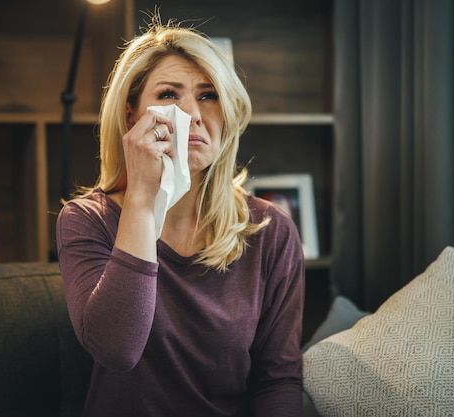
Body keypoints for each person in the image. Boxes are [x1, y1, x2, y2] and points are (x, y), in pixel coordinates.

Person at [56, 13, 305, 417]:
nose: (192, 114)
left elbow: (277, 379)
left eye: (208, 95)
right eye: (170, 95)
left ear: (228, 113)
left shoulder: (270, 230)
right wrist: (140, 196)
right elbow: (117, 349)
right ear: (132, 115)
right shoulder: (87, 220)